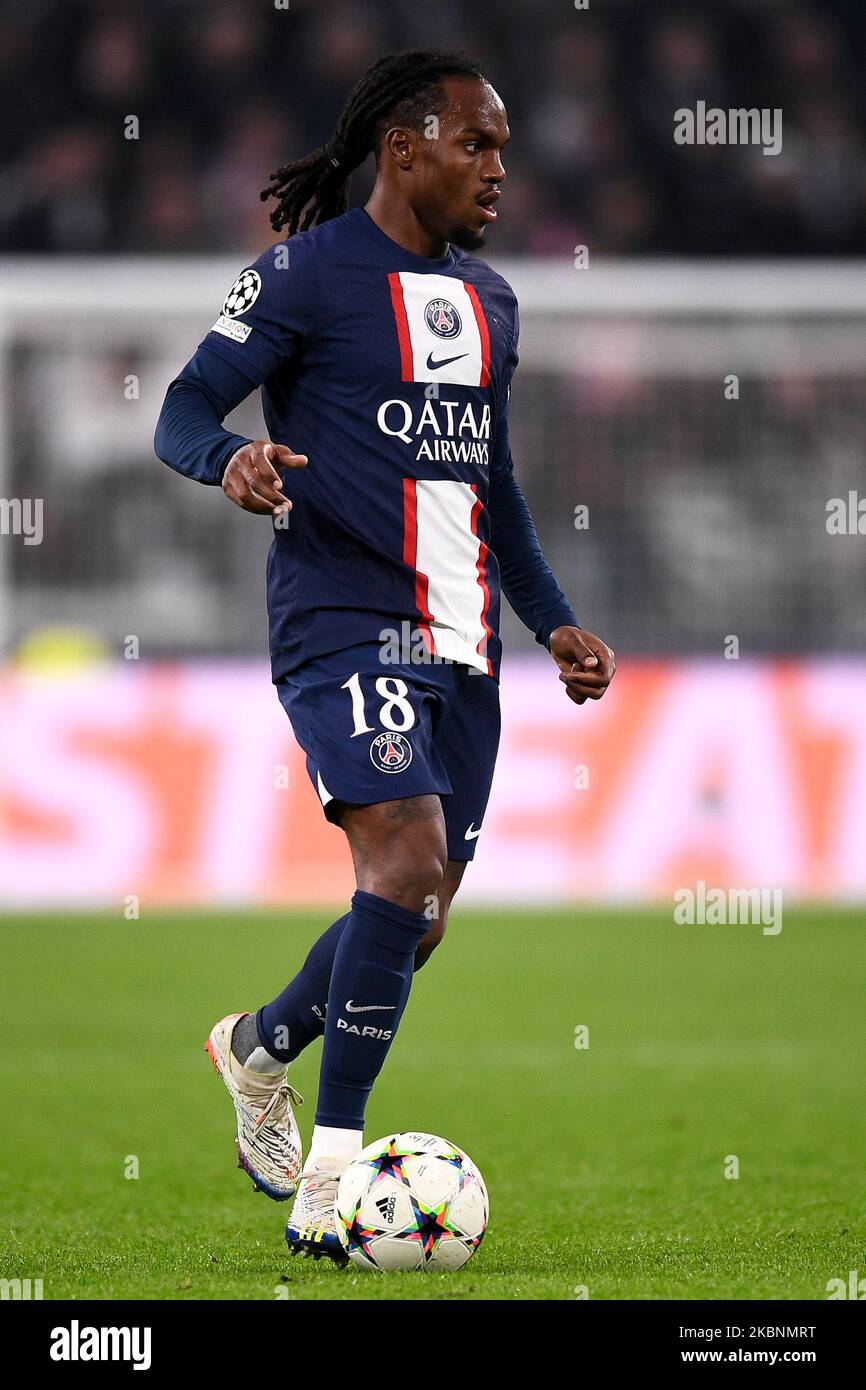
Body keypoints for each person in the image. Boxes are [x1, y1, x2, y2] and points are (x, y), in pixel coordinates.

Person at [154, 47, 615, 1263]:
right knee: (402, 854)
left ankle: (256, 1047)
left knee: (414, 914)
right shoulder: (301, 276)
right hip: (341, 619)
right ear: (402, 148)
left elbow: (493, 484)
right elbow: (182, 410)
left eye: (505, 150)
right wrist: (232, 461)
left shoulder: (491, 303)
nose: (498, 170)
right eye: (477, 144)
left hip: (466, 643)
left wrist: (550, 614)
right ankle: (334, 1172)